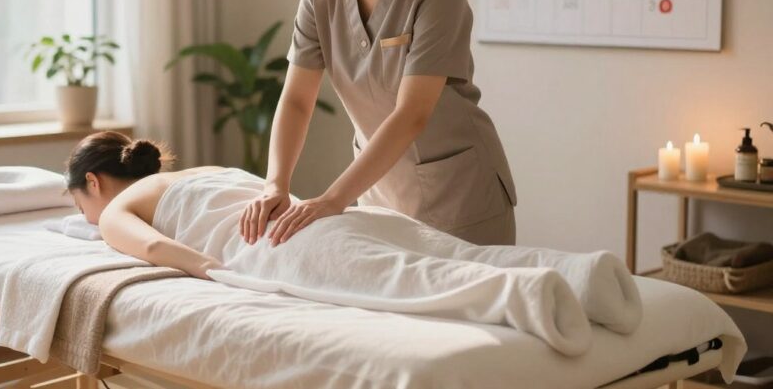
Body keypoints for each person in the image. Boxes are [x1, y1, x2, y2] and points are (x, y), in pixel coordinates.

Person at [63, 131, 640, 356]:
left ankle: (532, 298)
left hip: (287, 244)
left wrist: (217, 271)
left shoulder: (115, 208)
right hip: (339, 215)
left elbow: (161, 252)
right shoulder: (201, 171)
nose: (90, 219)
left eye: (79, 206)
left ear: (93, 183)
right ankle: (587, 278)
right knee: (460, 255)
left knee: (417, 280)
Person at [239, 0, 517, 248]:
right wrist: (274, 184)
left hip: (459, 196)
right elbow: (298, 99)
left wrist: (332, 199)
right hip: (377, 192)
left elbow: (412, 113)